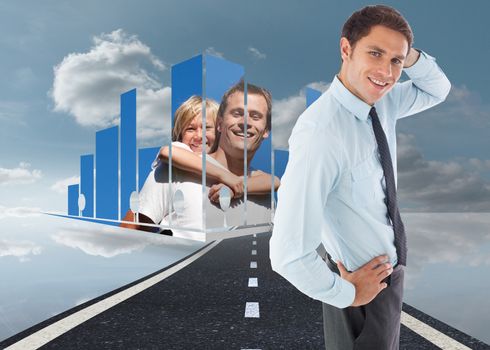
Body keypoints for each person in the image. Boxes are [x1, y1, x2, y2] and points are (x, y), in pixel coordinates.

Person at [269, 5, 450, 350]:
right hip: (362, 296)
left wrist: (408, 55)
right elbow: (288, 253)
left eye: (396, 60)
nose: (386, 71)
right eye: (375, 53)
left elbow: (438, 89)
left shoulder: (384, 103)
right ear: (346, 49)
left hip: (386, 283)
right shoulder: (320, 133)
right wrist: (346, 294)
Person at [121, 81, 275, 237]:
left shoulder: (260, 188)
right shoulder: (174, 167)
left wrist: (237, 185)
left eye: (207, 128)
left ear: (218, 128)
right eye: (190, 129)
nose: (198, 136)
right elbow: (129, 231)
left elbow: (273, 181)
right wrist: (227, 177)